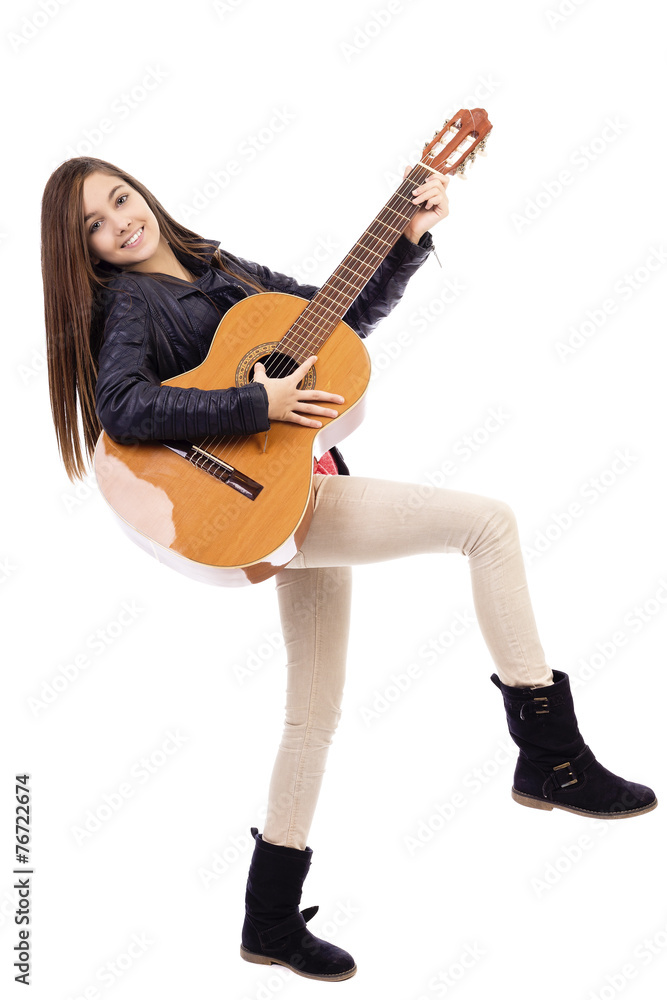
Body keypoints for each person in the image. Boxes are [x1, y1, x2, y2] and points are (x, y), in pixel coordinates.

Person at [41, 155, 657, 984]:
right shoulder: (129, 304)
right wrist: (253, 405)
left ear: (141, 190)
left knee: (311, 712)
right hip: (269, 500)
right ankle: (549, 752)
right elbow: (121, 404)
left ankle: (267, 921)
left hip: (295, 488)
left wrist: (405, 237)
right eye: (95, 226)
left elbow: (337, 324)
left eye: (120, 197)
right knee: (488, 525)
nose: (120, 221)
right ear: (87, 254)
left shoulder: (222, 268)